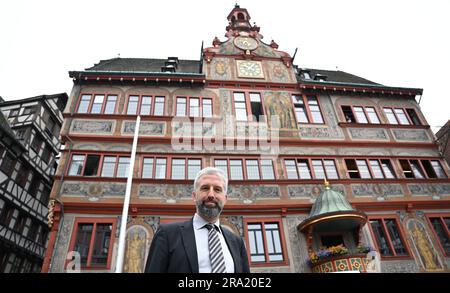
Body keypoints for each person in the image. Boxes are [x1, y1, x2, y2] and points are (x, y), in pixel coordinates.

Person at [144, 167, 250, 273]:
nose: (211, 195)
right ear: (194, 196)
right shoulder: (168, 234)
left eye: (217, 189)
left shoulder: (237, 242)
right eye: (205, 188)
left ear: (225, 198)